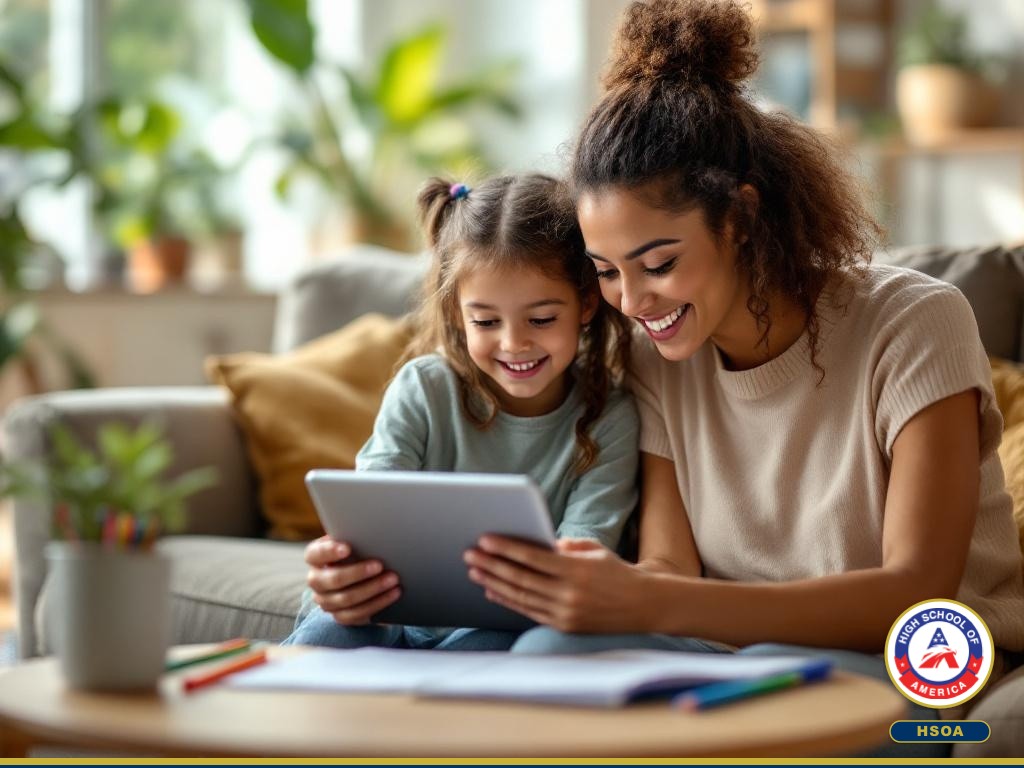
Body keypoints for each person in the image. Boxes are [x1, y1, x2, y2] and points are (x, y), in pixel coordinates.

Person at [462, 0, 1024, 744]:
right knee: (542, 658)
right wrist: (584, 586)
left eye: (658, 264)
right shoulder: (654, 356)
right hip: (731, 651)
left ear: (740, 218)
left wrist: (650, 605)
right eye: (605, 273)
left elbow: (915, 593)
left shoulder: (916, 322)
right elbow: (668, 566)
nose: (633, 302)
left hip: (917, 655)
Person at [285, 174, 639, 652]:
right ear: (456, 313)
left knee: (479, 646)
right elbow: (367, 519)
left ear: (586, 304)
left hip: (509, 626)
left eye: (541, 319)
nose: (514, 342)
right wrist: (339, 570)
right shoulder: (423, 388)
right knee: (328, 633)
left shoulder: (609, 415)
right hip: (388, 614)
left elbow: (585, 552)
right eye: (486, 321)